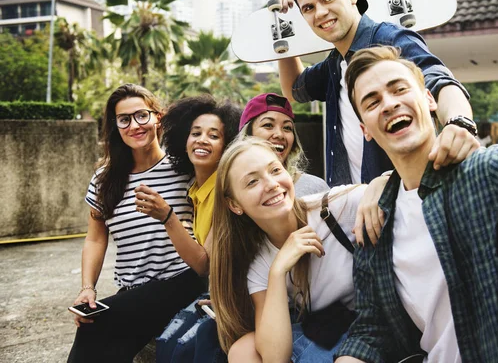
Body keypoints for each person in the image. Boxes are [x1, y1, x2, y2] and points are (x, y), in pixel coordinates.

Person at [335, 3, 498, 363]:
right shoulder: (373, 221)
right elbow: (372, 329)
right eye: (372, 101)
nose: (389, 104)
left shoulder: (487, 170)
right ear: (365, 129)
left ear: (429, 99)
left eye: (399, 89)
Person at [277, 0, 479, 186]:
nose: (321, 12)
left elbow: (437, 78)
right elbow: (293, 89)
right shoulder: (334, 64)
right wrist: (285, 29)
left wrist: (459, 122)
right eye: (308, 8)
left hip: (403, 200)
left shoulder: (390, 38)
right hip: (354, 206)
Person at [68, 84, 205, 362]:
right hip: (134, 293)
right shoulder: (105, 179)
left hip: (180, 282)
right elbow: (95, 238)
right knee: (100, 335)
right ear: (116, 126)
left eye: (142, 115)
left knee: (95, 329)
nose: (134, 125)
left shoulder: (184, 169)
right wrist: (87, 289)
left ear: (158, 117)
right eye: (124, 119)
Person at [209, 137, 370, 362]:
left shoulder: (334, 209)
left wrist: (381, 183)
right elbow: (275, 357)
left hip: (370, 326)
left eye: (275, 170)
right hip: (329, 325)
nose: (272, 184)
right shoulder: (260, 260)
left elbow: (400, 186)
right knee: (242, 351)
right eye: (252, 182)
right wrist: (278, 270)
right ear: (235, 205)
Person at [132, 95, 241, 363]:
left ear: (227, 146)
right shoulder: (195, 188)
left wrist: (167, 217)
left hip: (241, 303)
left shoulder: (225, 190)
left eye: (214, 135)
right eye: (196, 133)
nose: (202, 140)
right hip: (217, 296)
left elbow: (204, 263)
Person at [239, 92, 329, 196]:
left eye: (287, 128)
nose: (279, 135)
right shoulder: (232, 187)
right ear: (247, 135)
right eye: (268, 125)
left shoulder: (316, 188)